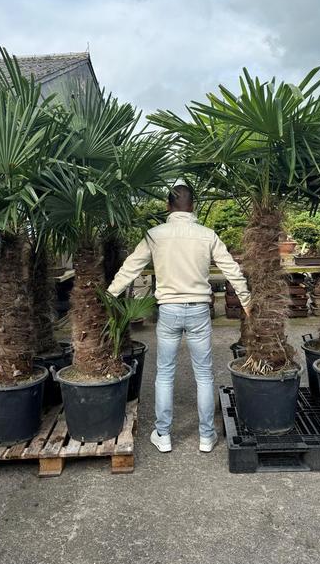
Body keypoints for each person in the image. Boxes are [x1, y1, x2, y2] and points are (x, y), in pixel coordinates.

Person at [106, 183, 251, 453]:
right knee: (205, 376)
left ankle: (163, 435)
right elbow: (232, 269)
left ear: (167, 206)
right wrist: (246, 301)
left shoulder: (154, 235)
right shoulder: (207, 235)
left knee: (164, 375)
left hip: (169, 311)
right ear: (193, 206)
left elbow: (130, 268)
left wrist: (109, 295)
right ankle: (206, 437)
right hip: (199, 311)